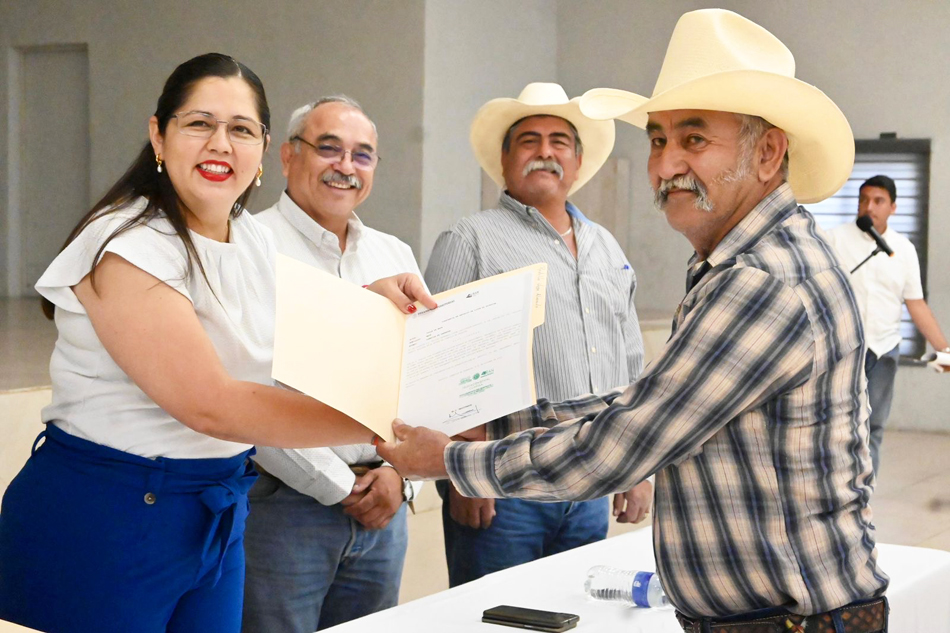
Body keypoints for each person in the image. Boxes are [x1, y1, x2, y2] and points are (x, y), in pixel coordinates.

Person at [381, 9, 890, 632]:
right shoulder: (475, 238)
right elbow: (641, 403)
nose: (665, 165)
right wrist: (479, 433)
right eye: (656, 140)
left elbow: (627, 435)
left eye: (693, 140)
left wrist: (453, 460)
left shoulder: (759, 280)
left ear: (768, 153)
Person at [0, 54, 432, 633]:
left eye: (241, 129)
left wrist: (374, 298)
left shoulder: (248, 237)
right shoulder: (127, 244)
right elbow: (212, 405)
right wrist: (388, 431)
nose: (220, 144)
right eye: (199, 123)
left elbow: (303, 329)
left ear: (264, 148)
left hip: (215, 512)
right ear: (159, 135)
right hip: (108, 515)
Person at [424, 82, 652, 587]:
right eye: (528, 141)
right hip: (501, 485)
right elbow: (437, 364)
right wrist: (462, 476)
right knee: (492, 616)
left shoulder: (606, 247)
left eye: (558, 141)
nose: (544, 152)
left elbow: (630, 364)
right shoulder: (471, 239)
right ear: (505, 161)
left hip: (589, 480)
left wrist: (637, 467)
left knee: (572, 613)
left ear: (577, 162)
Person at [242, 96, 423, 632]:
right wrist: (340, 486)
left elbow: (418, 377)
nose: (346, 166)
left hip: (385, 508)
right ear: (287, 157)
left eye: (362, 154)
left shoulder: (394, 254)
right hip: (285, 509)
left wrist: (398, 476)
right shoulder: (247, 246)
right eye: (329, 148)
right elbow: (248, 391)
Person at [828, 175, 950, 476]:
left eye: (878, 201)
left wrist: (944, 350)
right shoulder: (833, 240)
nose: (869, 207)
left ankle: (864, 495)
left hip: (884, 351)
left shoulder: (903, 249)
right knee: (836, 429)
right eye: (863, 200)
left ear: (893, 207)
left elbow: (915, 303)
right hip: (843, 350)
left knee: (874, 427)